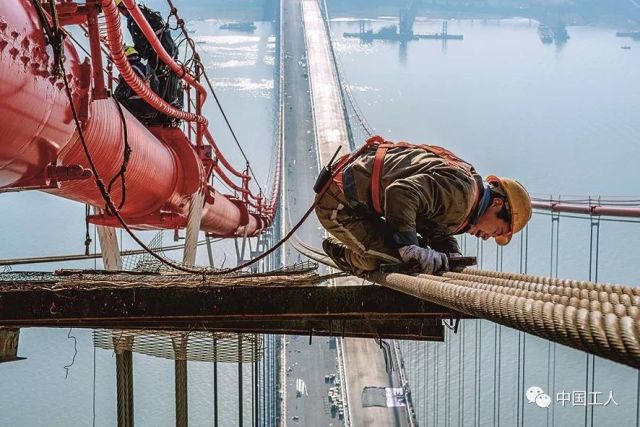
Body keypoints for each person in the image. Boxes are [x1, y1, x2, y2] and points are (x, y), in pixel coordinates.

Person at [316, 135, 532, 275]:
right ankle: (341, 252)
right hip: (339, 204)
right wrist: (409, 246)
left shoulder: (467, 192)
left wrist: (450, 252)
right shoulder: (462, 198)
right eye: (497, 231)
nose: (487, 237)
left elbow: (433, 219)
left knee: (416, 255)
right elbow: (399, 193)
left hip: (354, 196)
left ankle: (367, 247)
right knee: (399, 263)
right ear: (496, 204)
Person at [115, 0, 183, 119]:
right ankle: (165, 109)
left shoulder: (133, 19)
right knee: (164, 79)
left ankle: (160, 111)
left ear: (121, 7)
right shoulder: (142, 12)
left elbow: (141, 46)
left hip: (158, 56)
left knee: (158, 80)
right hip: (169, 52)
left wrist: (131, 52)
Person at [113, 45, 159, 124]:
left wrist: (111, 101)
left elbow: (119, 93)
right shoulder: (146, 69)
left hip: (138, 105)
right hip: (153, 108)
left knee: (117, 103)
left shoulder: (130, 71)